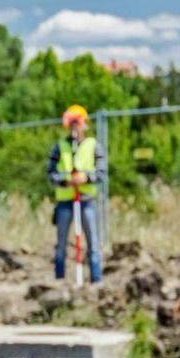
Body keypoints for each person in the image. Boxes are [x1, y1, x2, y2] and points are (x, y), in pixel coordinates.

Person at [48, 103, 106, 285]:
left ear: (84, 124)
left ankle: (96, 281)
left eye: (77, 123)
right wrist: (66, 181)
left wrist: (85, 178)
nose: (75, 127)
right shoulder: (59, 147)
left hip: (87, 200)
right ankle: (59, 281)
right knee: (61, 244)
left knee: (93, 244)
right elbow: (51, 173)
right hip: (65, 200)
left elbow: (101, 173)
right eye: (72, 123)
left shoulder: (93, 145)